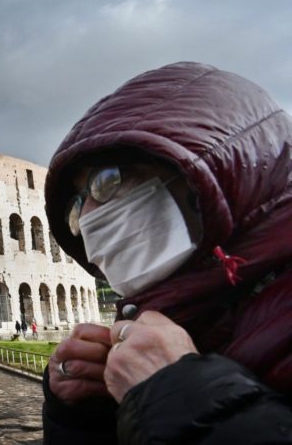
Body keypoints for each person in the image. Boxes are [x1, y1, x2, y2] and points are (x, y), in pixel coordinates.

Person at [42, 62, 292, 444]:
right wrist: (87, 416)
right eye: (76, 206)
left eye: (107, 180)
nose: (88, 218)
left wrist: (179, 395)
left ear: (210, 172)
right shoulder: (184, 315)